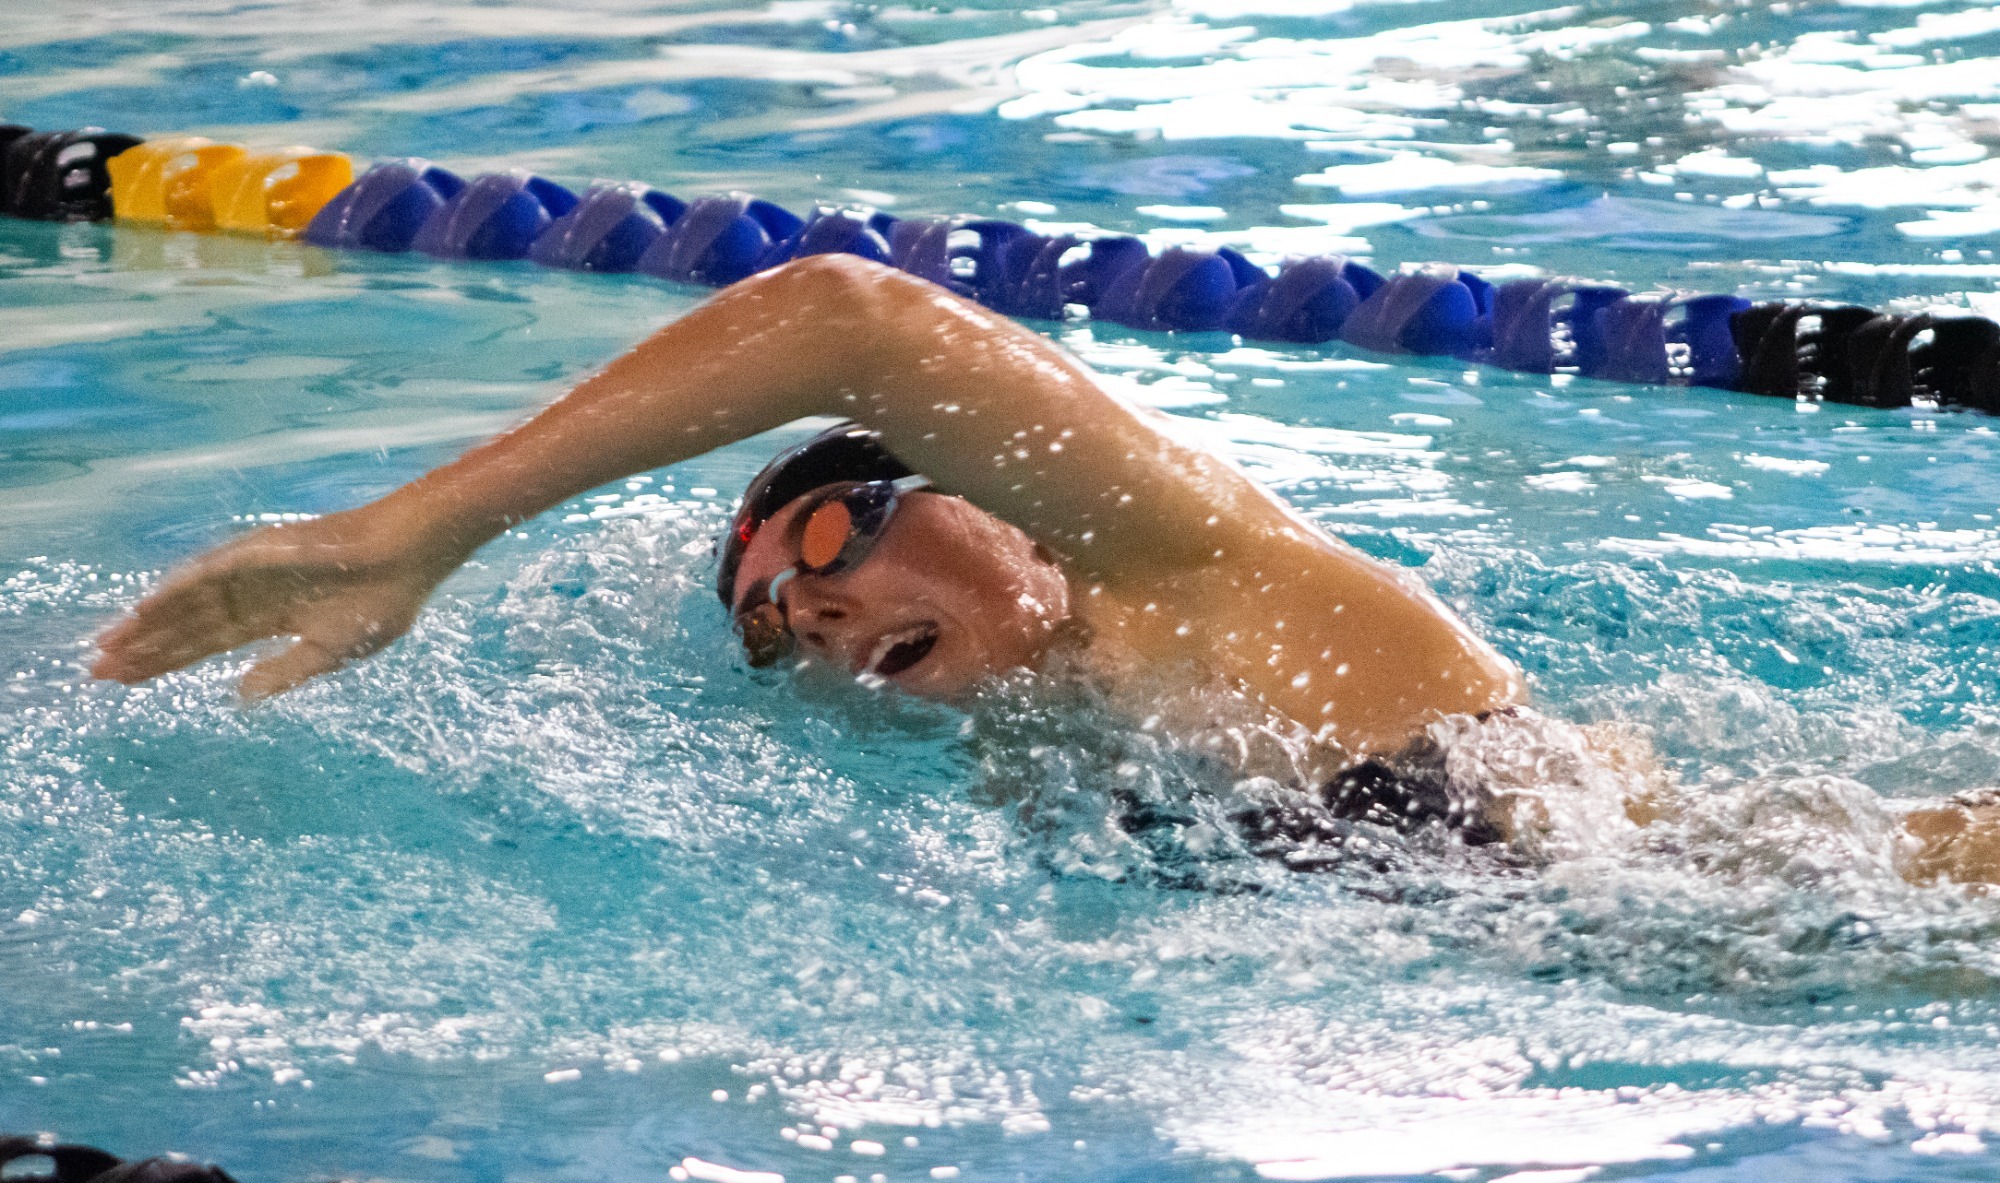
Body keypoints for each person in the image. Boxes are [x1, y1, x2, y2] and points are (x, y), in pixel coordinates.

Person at [89, 254, 2000, 883]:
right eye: (771, 622)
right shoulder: (1063, 780)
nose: (810, 604)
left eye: (831, 533)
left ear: (1008, 520)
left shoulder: (1207, 577)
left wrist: (425, 527)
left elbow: (847, 313)